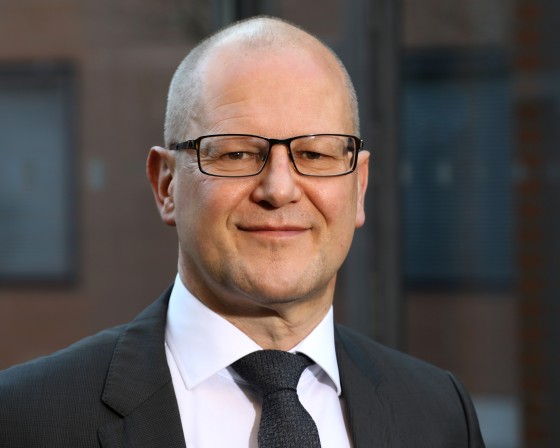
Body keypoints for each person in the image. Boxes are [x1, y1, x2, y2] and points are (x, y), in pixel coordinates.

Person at [0, 16, 485, 447]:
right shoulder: (25, 419)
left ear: (358, 188)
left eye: (315, 154)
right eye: (236, 153)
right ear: (166, 185)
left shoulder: (439, 413)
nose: (279, 189)